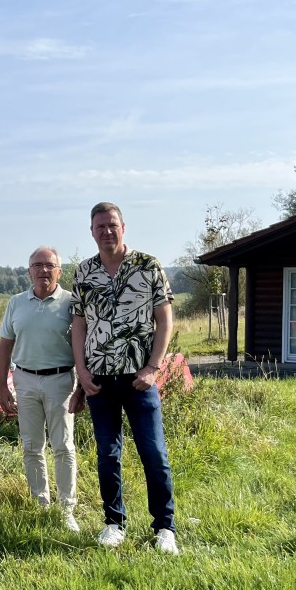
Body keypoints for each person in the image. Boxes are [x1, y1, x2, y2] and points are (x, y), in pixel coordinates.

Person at [68, 202, 179, 554]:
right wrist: (82, 374)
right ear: (92, 231)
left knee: (154, 453)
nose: (107, 232)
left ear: (123, 227)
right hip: (99, 380)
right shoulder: (84, 272)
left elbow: (165, 319)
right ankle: (114, 523)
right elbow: (79, 326)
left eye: (112, 225)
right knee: (107, 454)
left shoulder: (148, 266)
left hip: (138, 379)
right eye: (100, 227)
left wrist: (153, 368)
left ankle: (165, 528)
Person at [0, 246, 81, 532]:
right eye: (37, 265)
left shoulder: (71, 302)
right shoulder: (16, 303)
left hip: (61, 380)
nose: (43, 270)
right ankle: (40, 504)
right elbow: (4, 345)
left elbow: (83, 347)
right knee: (32, 447)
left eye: (49, 265)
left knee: (64, 446)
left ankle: (66, 509)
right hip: (25, 380)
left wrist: (83, 384)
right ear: (28, 270)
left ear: (59, 270)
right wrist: (2, 386)